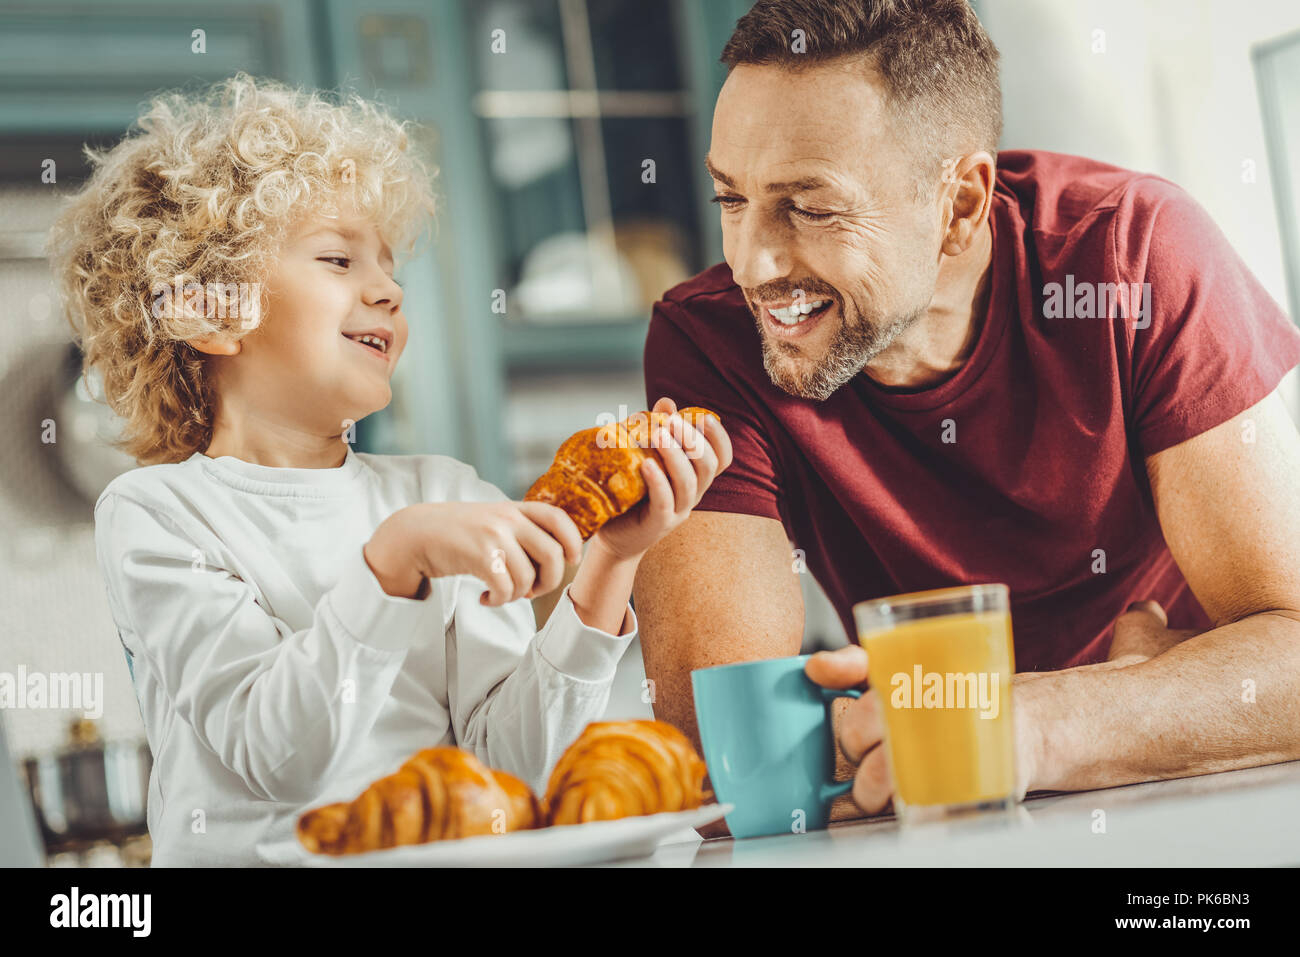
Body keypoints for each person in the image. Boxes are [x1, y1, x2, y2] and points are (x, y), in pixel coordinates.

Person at [635, 0, 1300, 831]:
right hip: (952, 816)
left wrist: (1035, 723)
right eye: (730, 199)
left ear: (958, 207)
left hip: (1213, 802)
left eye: (810, 207)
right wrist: (1142, 697)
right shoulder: (710, 341)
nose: (751, 262)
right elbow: (718, 767)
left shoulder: (1133, 253)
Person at [51, 73, 731, 865]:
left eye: (390, 265)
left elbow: (514, 774)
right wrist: (393, 563)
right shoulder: (157, 512)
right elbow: (276, 754)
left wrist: (612, 561)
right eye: (339, 259)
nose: (389, 290)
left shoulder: (442, 493)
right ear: (209, 309)